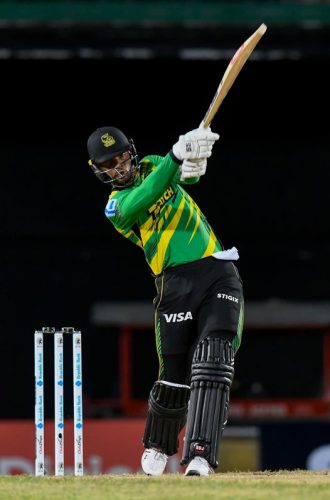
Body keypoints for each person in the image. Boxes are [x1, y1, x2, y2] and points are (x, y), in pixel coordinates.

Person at [86, 125, 244, 476]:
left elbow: (186, 180)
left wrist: (193, 161)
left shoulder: (156, 164)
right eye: (109, 164)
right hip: (173, 283)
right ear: (98, 170)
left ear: (132, 151)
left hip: (215, 268)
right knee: (173, 372)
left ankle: (200, 454)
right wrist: (176, 157)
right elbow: (147, 194)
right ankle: (158, 444)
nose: (120, 166)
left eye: (122, 157)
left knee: (214, 360)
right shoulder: (115, 207)